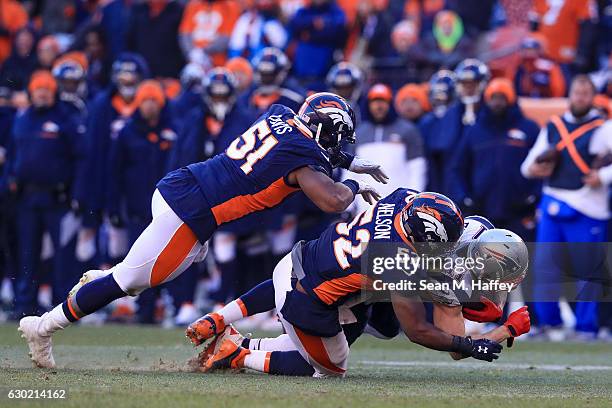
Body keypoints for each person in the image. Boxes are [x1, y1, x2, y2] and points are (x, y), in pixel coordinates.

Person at [19, 91, 387, 369]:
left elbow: (302, 147)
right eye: (338, 138)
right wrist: (355, 183)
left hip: (182, 185)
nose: (339, 146)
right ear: (325, 129)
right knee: (129, 282)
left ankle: (100, 281)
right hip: (191, 211)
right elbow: (333, 201)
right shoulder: (304, 158)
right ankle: (43, 327)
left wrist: (349, 161)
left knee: (159, 267)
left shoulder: (280, 113)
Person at [188, 191, 506, 376]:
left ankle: (220, 320)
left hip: (301, 259)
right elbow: (417, 331)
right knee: (329, 368)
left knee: (369, 319)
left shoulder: (403, 198)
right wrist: (469, 344)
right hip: (309, 300)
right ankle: (237, 354)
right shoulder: (398, 261)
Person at [521, 75, 610, 340]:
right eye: (577, 92)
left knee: (588, 272)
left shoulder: (603, 128)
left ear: (592, 97)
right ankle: (550, 324)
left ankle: (586, 328)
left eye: (586, 93)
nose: (580, 97)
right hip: (553, 202)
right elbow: (527, 166)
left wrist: (602, 177)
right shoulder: (553, 126)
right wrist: (535, 168)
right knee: (544, 267)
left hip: (589, 206)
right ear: (569, 94)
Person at [4, 71, 86, 317]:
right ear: (31, 91)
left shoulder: (65, 118)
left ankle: (64, 307)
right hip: (27, 198)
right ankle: (24, 304)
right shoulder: (22, 119)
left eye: (46, 89)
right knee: (27, 253)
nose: (41, 93)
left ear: (53, 92)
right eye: (38, 89)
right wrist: (11, 178)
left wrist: (77, 193)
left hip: (57, 198)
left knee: (63, 254)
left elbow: (80, 158)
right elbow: (13, 153)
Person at [106, 80, 177, 323]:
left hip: (168, 208)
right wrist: (113, 206)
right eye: (145, 101)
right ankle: (144, 309)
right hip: (137, 207)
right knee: (141, 260)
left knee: (169, 258)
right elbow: (113, 171)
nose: (149, 106)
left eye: (153, 101)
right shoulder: (127, 132)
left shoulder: (172, 129)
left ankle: (167, 305)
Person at [448, 78, 541, 236]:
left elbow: (542, 165)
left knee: (523, 257)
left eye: (502, 98)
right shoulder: (474, 131)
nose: (497, 102)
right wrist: (464, 197)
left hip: (520, 211)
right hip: (482, 210)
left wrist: (534, 196)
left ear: (510, 99)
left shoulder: (529, 128)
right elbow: (458, 168)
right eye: (493, 98)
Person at [348, 83, 425, 214]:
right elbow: (350, 171)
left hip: (400, 205)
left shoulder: (408, 130)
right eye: (374, 101)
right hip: (365, 207)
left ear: (390, 103)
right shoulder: (359, 133)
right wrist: (348, 206)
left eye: (383, 101)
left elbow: (417, 169)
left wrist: (414, 199)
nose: (379, 106)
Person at [289, 0, 346, 88]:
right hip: (301, 71)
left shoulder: (336, 11)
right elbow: (294, 24)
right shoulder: (305, 10)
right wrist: (313, 23)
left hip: (323, 72)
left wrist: (310, 34)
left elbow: (337, 31)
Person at [126, 0, 185, 78]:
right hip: (141, 77)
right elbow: (129, 44)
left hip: (170, 78)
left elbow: (184, 46)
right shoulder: (137, 11)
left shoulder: (178, 12)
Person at [419, 69, 456, 193]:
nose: (440, 100)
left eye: (443, 95)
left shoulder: (459, 118)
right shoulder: (426, 121)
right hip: (433, 173)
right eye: (437, 95)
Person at [239, 47, 305, 115]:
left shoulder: (295, 98)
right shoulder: (247, 97)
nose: (266, 78)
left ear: (281, 72)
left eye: (271, 74)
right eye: (263, 74)